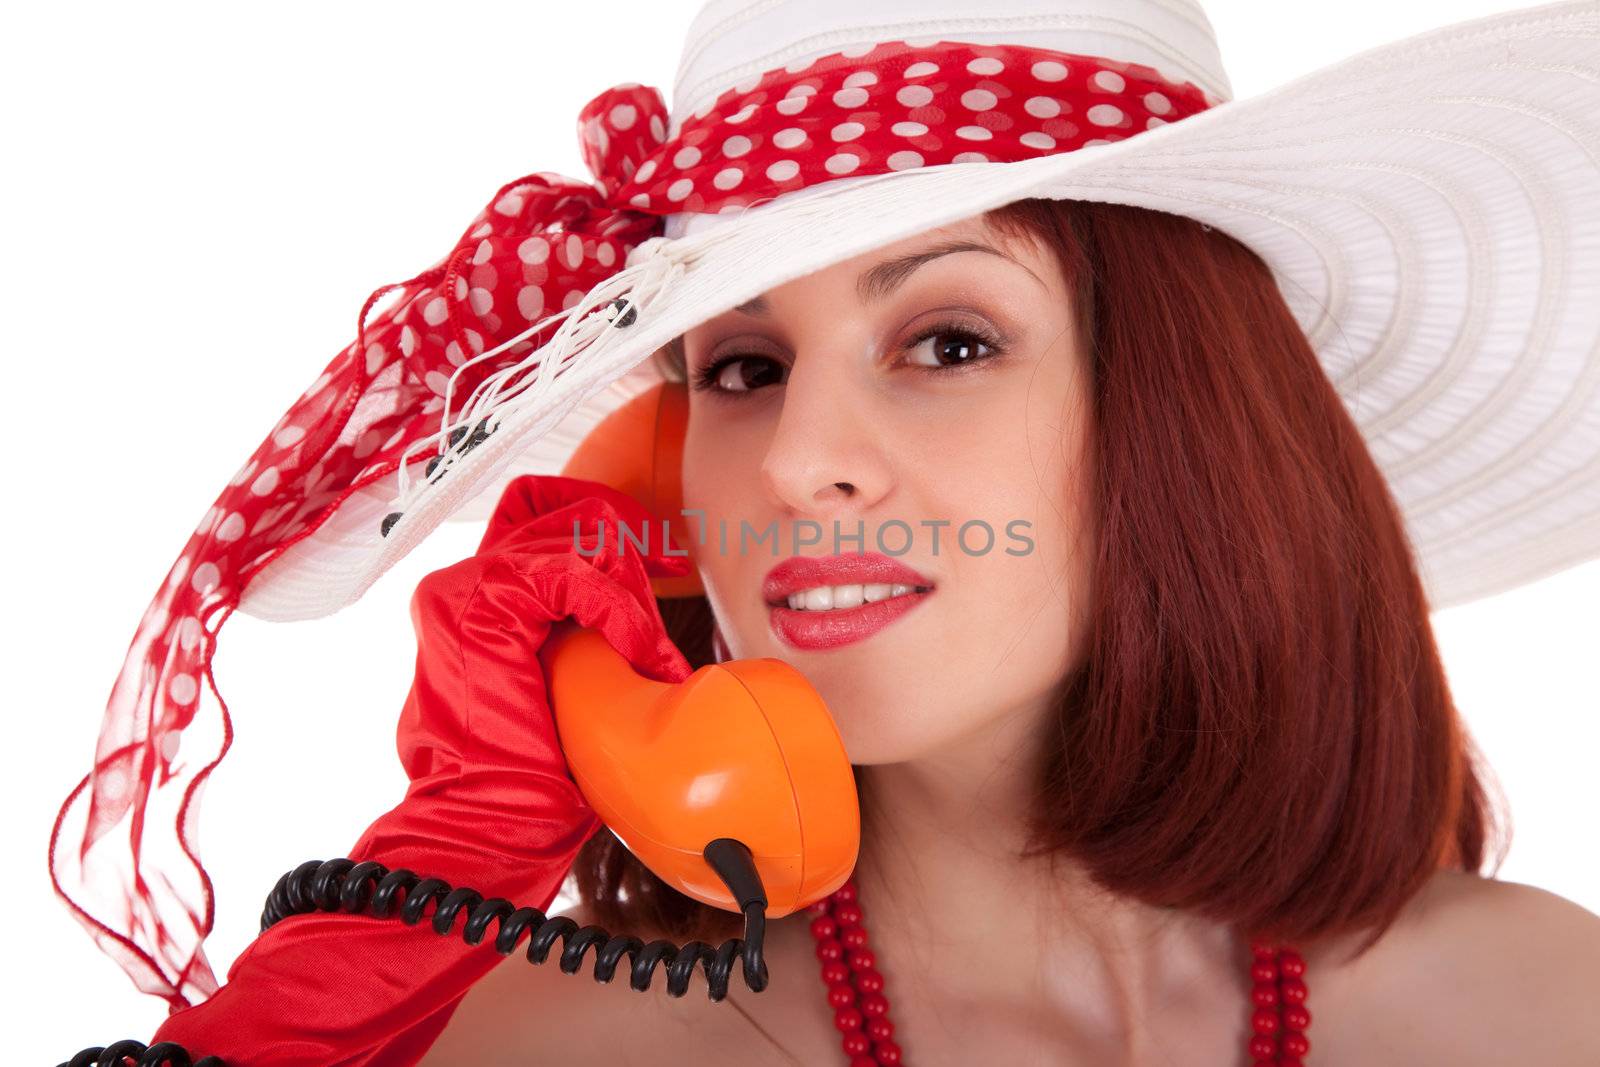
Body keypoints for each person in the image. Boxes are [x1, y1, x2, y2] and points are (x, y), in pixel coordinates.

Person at [50, 0, 1600, 1064]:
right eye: (739, 367)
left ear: (1178, 412)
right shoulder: (538, 1044)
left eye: (945, 340)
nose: (796, 461)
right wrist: (437, 878)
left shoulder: (1547, 1006)